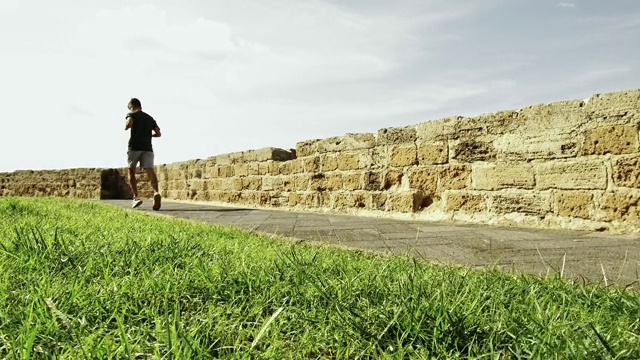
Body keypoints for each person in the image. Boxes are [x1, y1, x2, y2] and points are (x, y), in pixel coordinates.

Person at [124, 98, 162, 210]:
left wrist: (126, 126)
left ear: (132, 106)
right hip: (147, 148)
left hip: (135, 147)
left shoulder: (131, 114)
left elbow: (129, 123)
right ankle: (156, 192)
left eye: (129, 107)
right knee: (150, 170)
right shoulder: (149, 118)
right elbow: (158, 133)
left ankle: (136, 197)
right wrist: (149, 136)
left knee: (131, 171)